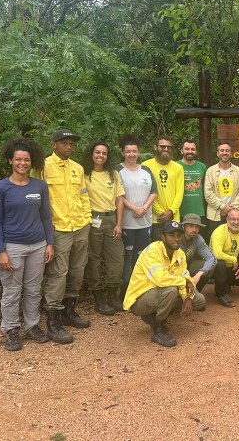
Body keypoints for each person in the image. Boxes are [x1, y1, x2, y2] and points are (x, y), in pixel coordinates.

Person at [0, 138, 55, 351]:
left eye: (26, 160)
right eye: (18, 159)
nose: (22, 163)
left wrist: (50, 243)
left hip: (37, 245)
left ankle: (32, 326)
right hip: (12, 247)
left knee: (34, 289)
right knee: (12, 291)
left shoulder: (40, 186)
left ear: (31, 162)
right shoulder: (0, 188)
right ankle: (10, 329)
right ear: (10, 160)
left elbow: (46, 217)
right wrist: (1, 251)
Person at [32, 129, 91, 344]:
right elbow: (35, 198)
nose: (69, 147)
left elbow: (83, 196)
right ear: (54, 144)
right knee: (58, 273)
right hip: (58, 228)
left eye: (71, 144)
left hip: (80, 226)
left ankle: (69, 312)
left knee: (77, 270)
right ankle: (53, 323)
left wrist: (87, 219)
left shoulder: (78, 168)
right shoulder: (42, 167)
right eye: (64, 143)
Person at [123, 221, 205, 347]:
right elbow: (160, 279)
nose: (176, 239)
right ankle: (158, 329)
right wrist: (184, 282)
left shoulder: (179, 254)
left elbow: (185, 276)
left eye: (178, 235)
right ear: (163, 237)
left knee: (198, 300)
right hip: (140, 298)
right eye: (172, 235)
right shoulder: (152, 251)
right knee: (171, 290)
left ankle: (154, 315)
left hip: (160, 293)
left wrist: (187, 297)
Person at [82, 141, 125, 316]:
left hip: (111, 218)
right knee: (94, 259)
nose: (100, 156)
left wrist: (119, 224)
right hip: (93, 219)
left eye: (104, 153)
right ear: (91, 154)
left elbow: (120, 199)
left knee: (116, 259)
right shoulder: (84, 174)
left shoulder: (113, 174)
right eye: (97, 152)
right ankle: (99, 297)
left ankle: (113, 296)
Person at [117, 136, 157, 296]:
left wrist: (144, 208)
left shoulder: (146, 170)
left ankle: (138, 289)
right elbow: (117, 195)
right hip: (126, 222)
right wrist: (134, 208)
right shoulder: (117, 170)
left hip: (145, 221)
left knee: (140, 256)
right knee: (127, 256)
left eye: (134, 151)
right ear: (122, 153)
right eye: (128, 151)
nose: (131, 154)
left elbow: (154, 191)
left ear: (139, 152)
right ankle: (124, 291)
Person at [209, 207, 239, 307]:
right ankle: (221, 293)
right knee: (220, 264)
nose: (236, 222)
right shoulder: (219, 231)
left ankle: (226, 283)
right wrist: (233, 259)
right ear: (227, 220)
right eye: (233, 219)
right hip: (214, 267)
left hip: (232, 266)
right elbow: (216, 254)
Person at [142, 136, 184, 238]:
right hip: (155, 218)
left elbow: (180, 192)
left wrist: (170, 212)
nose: (166, 149)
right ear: (155, 147)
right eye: (162, 146)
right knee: (156, 249)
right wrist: (161, 213)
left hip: (173, 217)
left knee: (173, 248)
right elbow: (146, 193)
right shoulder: (145, 166)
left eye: (168, 147)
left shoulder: (178, 168)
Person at [204, 142, 239, 234]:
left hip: (235, 215)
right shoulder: (210, 171)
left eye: (227, 151)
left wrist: (231, 209)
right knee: (215, 242)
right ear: (217, 153)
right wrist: (222, 207)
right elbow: (208, 193)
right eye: (222, 150)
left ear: (231, 153)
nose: (224, 153)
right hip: (215, 215)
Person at [179, 213, 217, 294]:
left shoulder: (198, 238)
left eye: (197, 227)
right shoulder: (176, 237)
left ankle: (195, 292)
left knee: (211, 267)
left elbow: (211, 258)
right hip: (175, 269)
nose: (194, 229)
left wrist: (199, 273)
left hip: (188, 267)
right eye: (191, 226)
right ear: (183, 227)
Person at [179, 139, 207, 231]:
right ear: (182, 150)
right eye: (187, 149)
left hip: (199, 212)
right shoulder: (175, 166)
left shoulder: (202, 167)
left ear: (196, 151)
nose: (190, 151)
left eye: (192, 149)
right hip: (180, 212)